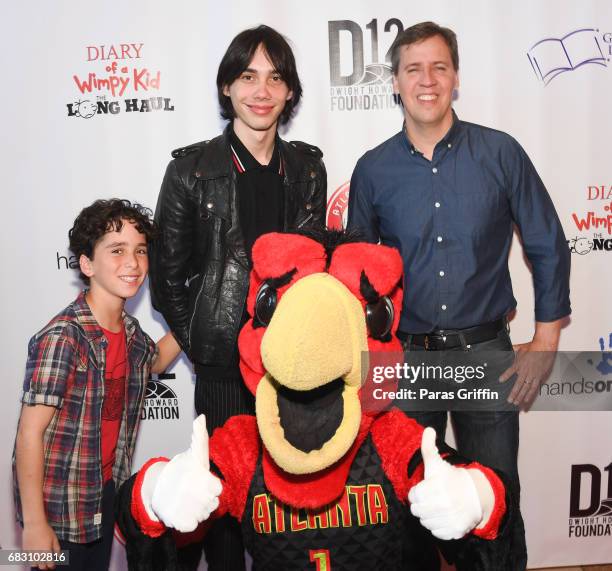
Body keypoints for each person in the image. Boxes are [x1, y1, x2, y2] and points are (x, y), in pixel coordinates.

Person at [347, 21, 570, 571]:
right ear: (395, 82)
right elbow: (356, 275)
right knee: (406, 501)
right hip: (403, 360)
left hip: (485, 356)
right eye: (413, 68)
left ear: (456, 78)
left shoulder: (500, 153)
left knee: (492, 498)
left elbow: (546, 240)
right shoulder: (373, 170)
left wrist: (545, 338)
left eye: (439, 67)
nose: (427, 80)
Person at [149, 25, 326, 570]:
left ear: (290, 92)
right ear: (227, 86)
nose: (261, 90)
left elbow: (312, 265)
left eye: (275, 78)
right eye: (248, 76)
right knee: (225, 506)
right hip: (224, 370)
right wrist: (205, 346)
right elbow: (166, 277)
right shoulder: (190, 171)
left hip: (292, 369)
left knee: (290, 505)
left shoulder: (306, 169)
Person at [13, 199, 181, 571]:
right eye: (117, 250)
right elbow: (29, 434)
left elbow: (153, 362)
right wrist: (36, 524)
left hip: (103, 497)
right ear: (87, 264)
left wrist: (194, 323)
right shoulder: (64, 336)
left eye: (140, 251)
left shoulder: (133, 334)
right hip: (58, 510)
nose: (133, 263)